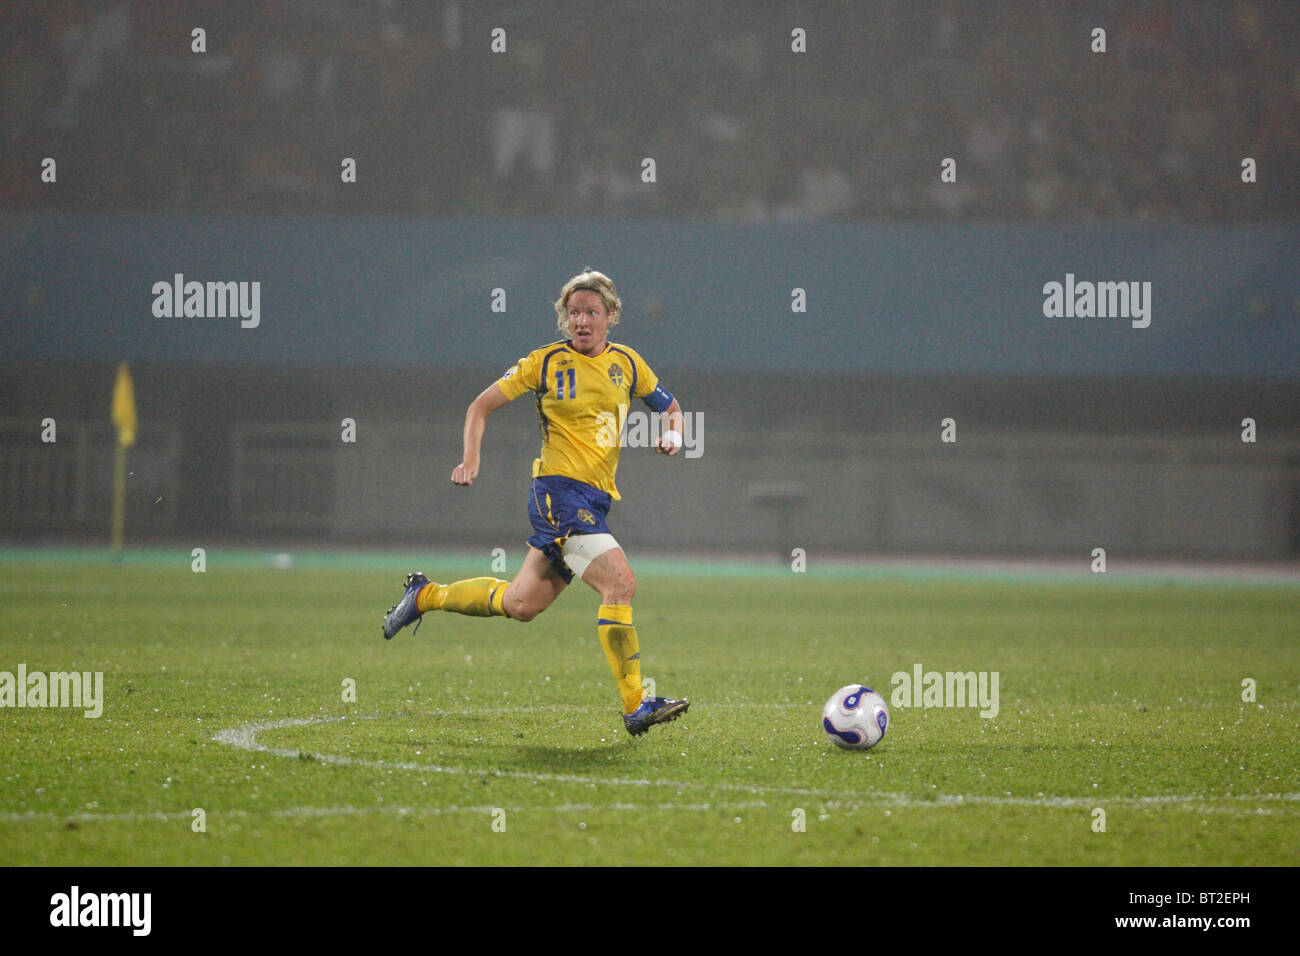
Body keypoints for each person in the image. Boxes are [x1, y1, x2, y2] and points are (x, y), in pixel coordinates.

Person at [382, 268, 689, 736]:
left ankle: (425, 595)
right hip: (558, 494)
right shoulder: (543, 362)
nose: (581, 320)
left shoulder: (627, 363)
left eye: (591, 312)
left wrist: (673, 434)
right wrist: (470, 459)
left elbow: (670, 407)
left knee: (521, 603)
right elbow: (479, 406)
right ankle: (635, 704)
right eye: (573, 313)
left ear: (610, 316)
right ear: (564, 319)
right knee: (621, 584)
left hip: (594, 499)